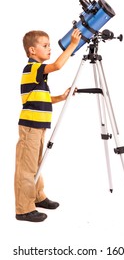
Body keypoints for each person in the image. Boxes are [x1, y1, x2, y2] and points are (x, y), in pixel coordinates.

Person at [15, 28, 81, 222]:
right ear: (32, 51)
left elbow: (41, 99)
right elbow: (58, 65)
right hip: (30, 126)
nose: (49, 49)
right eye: (45, 46)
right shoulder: (32, 68)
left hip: (39, 126)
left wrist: (61, 97)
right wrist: (73, 45)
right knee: (26, 167)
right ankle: (23, 209)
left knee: (36, 164)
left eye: (49, 46)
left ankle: (37, 197)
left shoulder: (39, 75)